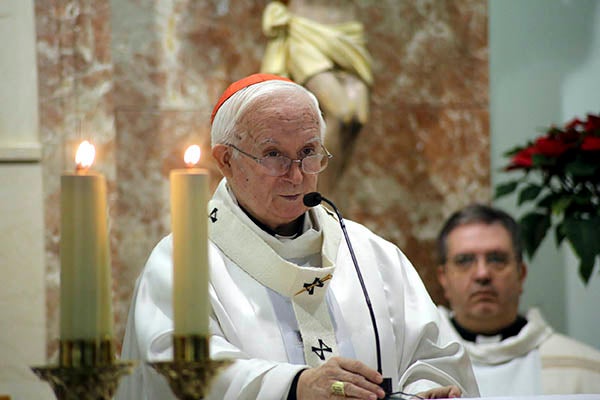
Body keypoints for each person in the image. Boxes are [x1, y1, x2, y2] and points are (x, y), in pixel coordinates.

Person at [116, 73, 478, 400]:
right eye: (273, 155)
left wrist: (423, 394)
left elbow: (434, 358)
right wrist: (295, 387)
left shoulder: (373, 255)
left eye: (308, 153)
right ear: (226, 160)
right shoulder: (183, 261)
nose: (296, 175)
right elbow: (176, 371)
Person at [436, 203, 600, 396]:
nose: (482, 274)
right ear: (443, 278)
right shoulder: (416, 365)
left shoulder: (586, 368)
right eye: (465, 260)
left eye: (496, 259)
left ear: (521, 274)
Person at [260, 0, 372, 198]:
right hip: (306, 29)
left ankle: (330, 195)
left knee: (357, 118)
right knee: (341, 112)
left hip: (348, 32)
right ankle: (323, 202)